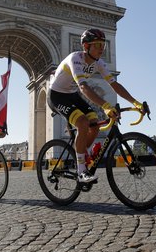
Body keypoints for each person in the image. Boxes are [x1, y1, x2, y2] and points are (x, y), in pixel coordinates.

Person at [48, 28, 146, 183]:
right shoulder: (75, 59)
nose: (102, 49)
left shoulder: (99, 63)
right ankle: (81, 172)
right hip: (57, 95)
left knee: (94, 124)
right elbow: (84, 87)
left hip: (72, 94)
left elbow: (115, 84)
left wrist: (135, 102)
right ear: (86, 46)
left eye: (103, 46)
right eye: (98, 45)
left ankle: (82, 154)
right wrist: (106, 106)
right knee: (82, 122)